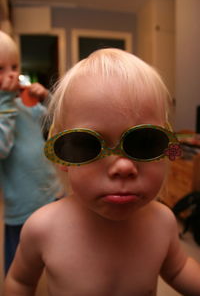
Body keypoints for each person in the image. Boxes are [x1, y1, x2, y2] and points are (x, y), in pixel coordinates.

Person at [4, 48, 200, 296]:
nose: (124, 167)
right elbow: (20, 282)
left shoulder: (162, 222)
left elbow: (179, 269)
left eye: (144, 142)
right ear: (63, 156)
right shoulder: (43, 227)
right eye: (88, 144)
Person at [0, 30, 61, 275]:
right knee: (20, 269)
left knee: (60, 255)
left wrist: (46, 97)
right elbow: (2, 148)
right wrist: (4, 101)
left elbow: (56, 117)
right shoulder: (6, 107)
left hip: (51, 191)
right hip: (22, 205)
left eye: (14, 66)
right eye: (0, 69)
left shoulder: (21, 105)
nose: (12, 74)